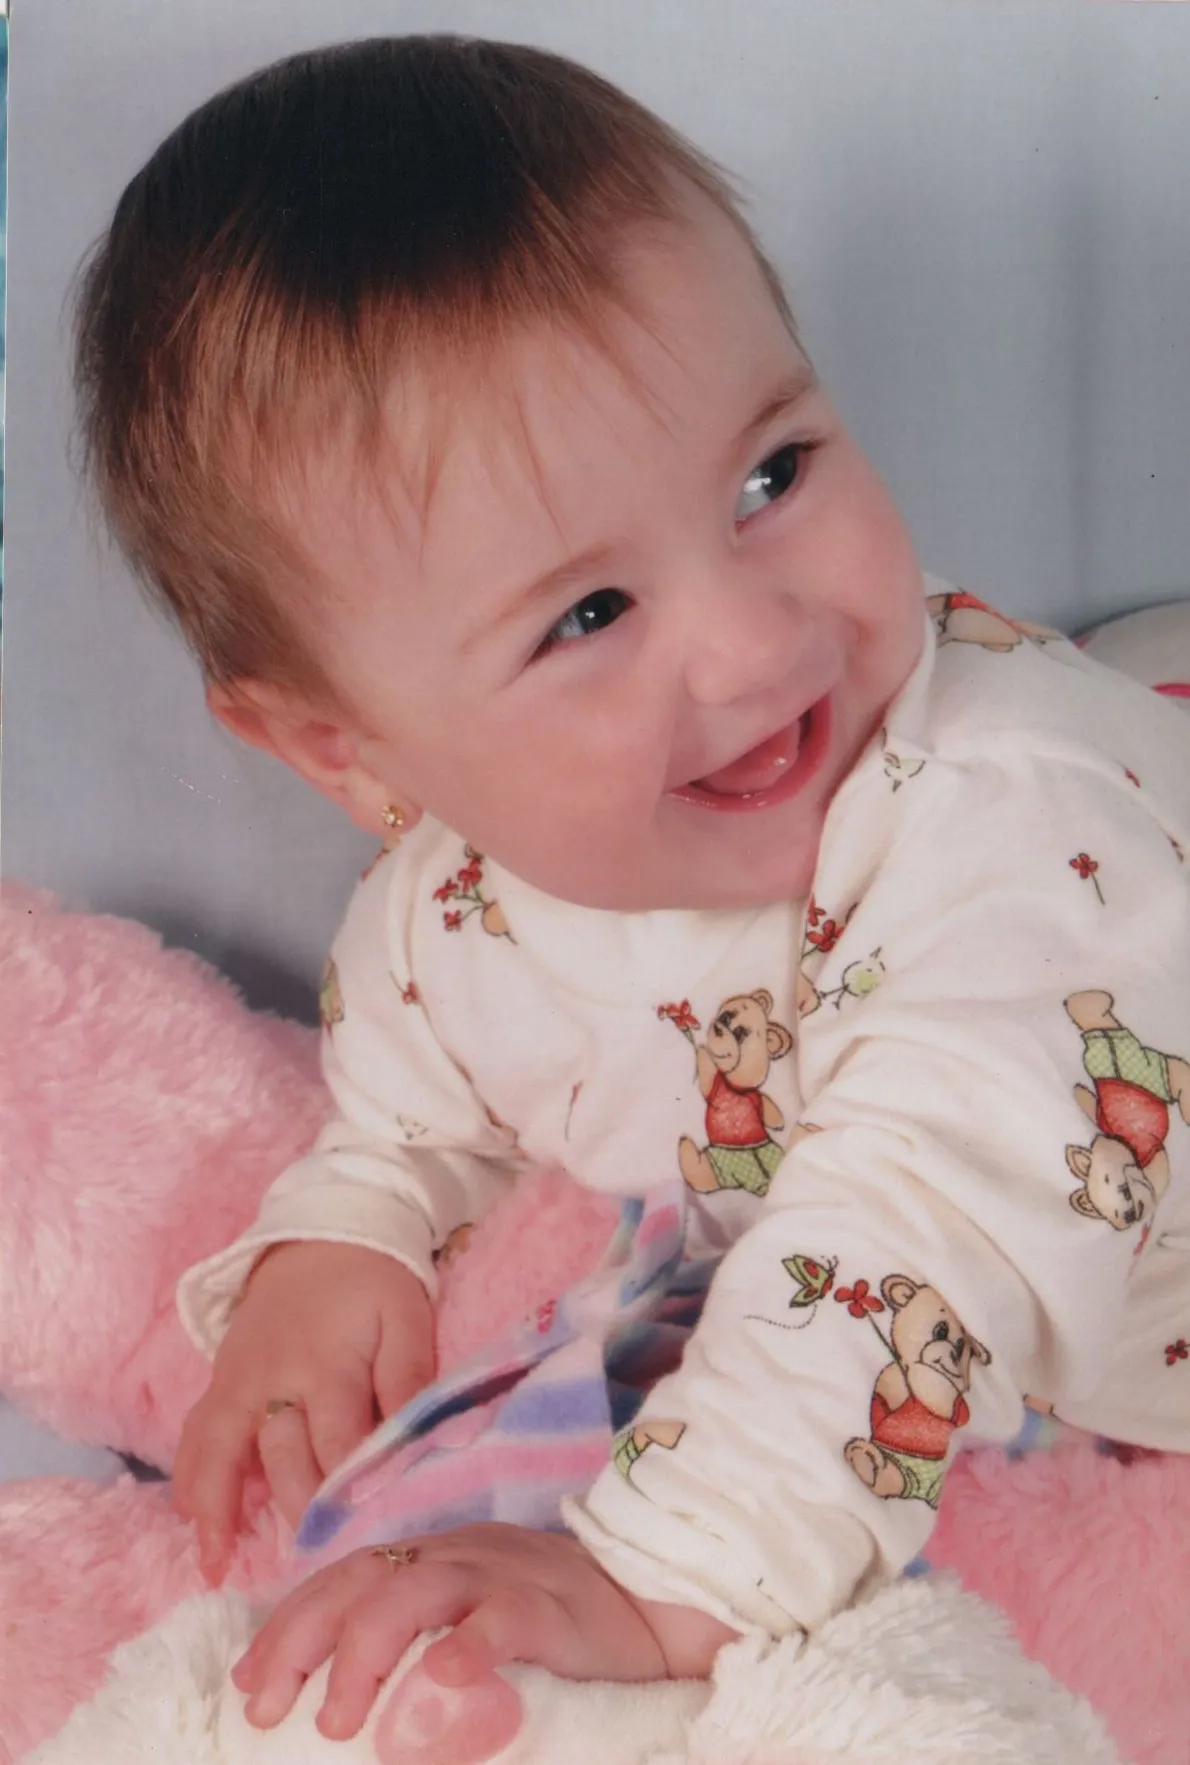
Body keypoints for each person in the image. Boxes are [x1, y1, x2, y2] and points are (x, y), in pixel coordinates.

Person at [73, 33, 1190, 1750]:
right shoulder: (454, 904)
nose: (759, 645)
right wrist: (346, 1228)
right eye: (586, 617)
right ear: (345, 747)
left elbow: (924, 1234)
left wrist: (664, 1579)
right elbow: (415, 1080)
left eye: (771, 476)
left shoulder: (1008, 838)